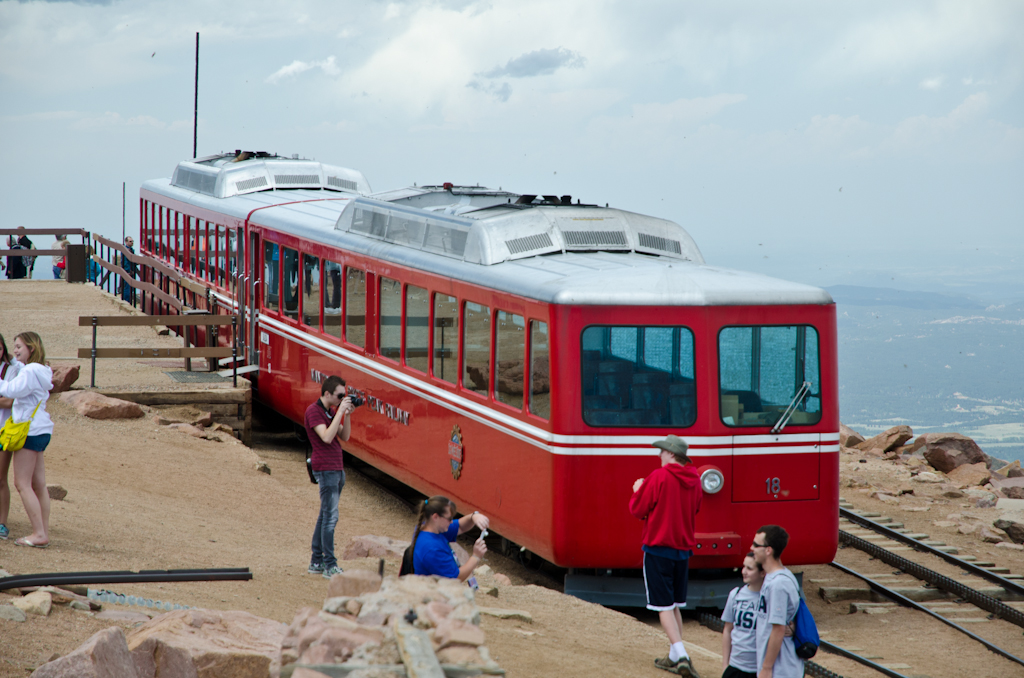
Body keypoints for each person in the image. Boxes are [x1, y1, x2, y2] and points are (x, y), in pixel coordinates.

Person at [629, 434, 702, 678]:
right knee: (676, 605)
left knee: (663, 606)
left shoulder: (658, 476)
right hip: (683, 550)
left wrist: (638, 489)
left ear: (671, 453)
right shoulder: (695, 480)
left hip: (658, 549)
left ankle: (681, 655)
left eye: (661, 451)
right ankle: (673, 655)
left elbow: (637, 509)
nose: (658, 455)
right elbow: (696, 507)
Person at [0, 332, 54, 548]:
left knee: (22, 483)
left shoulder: (31, 371)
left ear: (32, 348)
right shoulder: (40, 370)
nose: (15, 350)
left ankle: (38, 534)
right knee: (38, 484)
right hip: (40, 429)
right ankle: (42, 530)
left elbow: (11, 390)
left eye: (19, 346)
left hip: (29, 431)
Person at [304, 375, 355, 578]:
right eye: (339, 396)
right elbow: (326, 437)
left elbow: (345, 436)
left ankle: (316, 561)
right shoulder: (314, 411)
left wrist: (346, 414)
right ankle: (329, 565)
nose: (342, 399)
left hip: (336, 468)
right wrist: (340, 412)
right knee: (330, 518)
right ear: (327, 393)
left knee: (325, 515)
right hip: (325, 469)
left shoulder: (330, 412)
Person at [751, 525, 803, 678]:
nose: (751, 548)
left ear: (768, 550)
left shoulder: (778, 585)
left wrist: (766, 668)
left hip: (780, 669)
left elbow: (778, 629)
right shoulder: (777, 577)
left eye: (755, 545)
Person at [410, 496, 489, 581]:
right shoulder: (432, 549)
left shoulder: (431, 528)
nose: (451, 521)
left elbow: (461, 527)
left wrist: (474, 516)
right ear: (435, 517)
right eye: (449, 518)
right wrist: (476, 557)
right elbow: (455, 579)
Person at [721, 554, 766, 678]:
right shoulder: (735, 594)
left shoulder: (769, 598)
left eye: (750, 568)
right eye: (743, 567)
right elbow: (728, 629)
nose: (744, 571)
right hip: (735, 667)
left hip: (758, 669)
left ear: (762, 573)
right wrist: (725, 664)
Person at [0, 333, 23, 540]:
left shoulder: (12, 370)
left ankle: (2, 523)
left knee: (0, 477)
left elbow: (10, 401)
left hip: (3, 430)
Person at [120, 236, 137, 304]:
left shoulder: (130, 250)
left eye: (132, 241)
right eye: (130, 241)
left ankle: (127, 300)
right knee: (127, 287)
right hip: (128, 271)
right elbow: (125, 262)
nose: (132, 242)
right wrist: (128, 270)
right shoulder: (126, 250)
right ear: (126, 242)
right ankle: (126, 301)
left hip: (131, 270)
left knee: (129, 287)